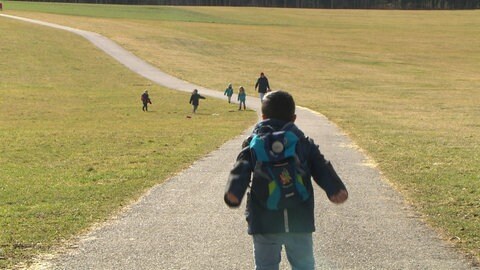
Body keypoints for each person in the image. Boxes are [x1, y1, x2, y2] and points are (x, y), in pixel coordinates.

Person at [224, 91, 348, 270]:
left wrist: (233, 193)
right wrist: (335, 189)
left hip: (264, 220)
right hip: (300, 220)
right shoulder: (302, 143)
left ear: (263, 116)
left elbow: (241, 168)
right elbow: (321, 166)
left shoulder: (253, 143)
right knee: (304, 266)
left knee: (265, 266)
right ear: (294, 118)